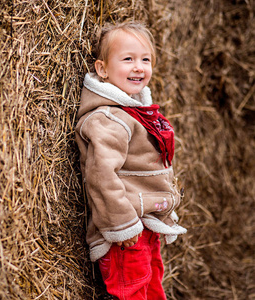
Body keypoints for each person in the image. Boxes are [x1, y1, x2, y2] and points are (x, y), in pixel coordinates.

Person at [75, 21, 187, 299]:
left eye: (145, 59)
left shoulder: (135, 115)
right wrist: (121, 224)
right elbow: (102, 176)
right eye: (128, 59)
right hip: (124, 230)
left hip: (146, 223)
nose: (139, 67)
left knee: (153, 286)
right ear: (102, 69)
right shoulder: (109, 119)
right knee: (133, 289)